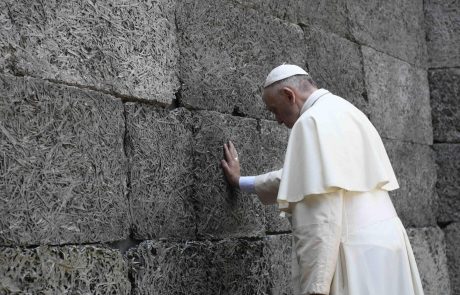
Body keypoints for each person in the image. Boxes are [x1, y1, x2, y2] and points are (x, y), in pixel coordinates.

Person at [221, 65, 424, 295]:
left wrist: (316, 285)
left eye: (274, 110)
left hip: (354, 251)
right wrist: (240, 181)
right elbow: (304, 179)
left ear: (290, 95)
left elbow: (320, 211)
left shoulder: (309, 122)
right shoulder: (348, 110)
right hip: (390, 243)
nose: (276, 120)